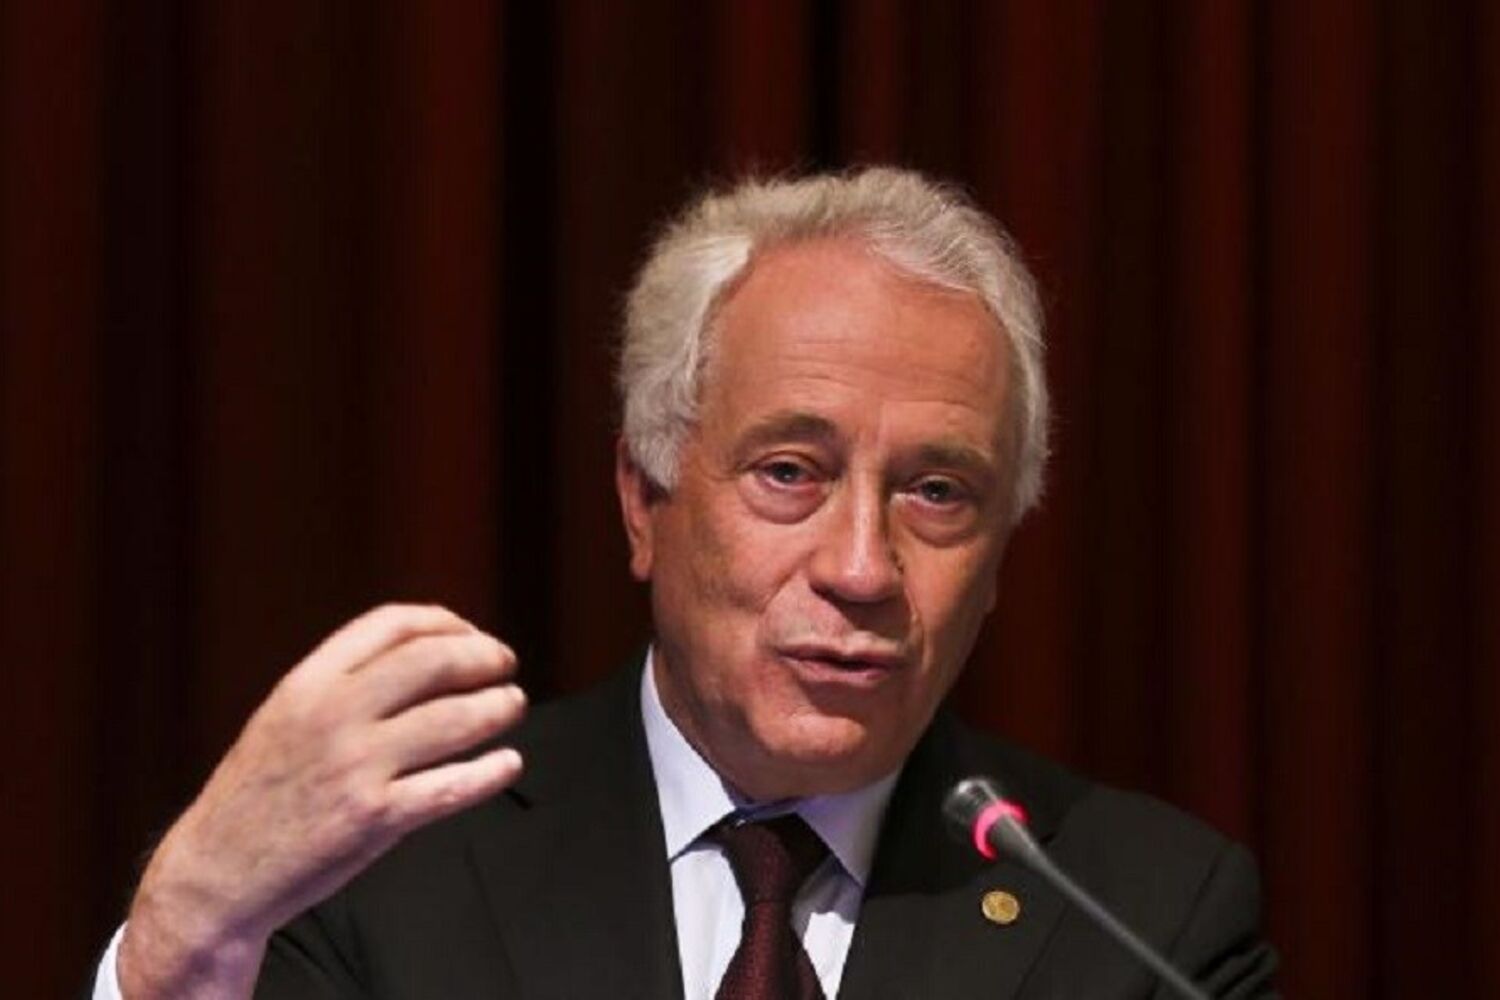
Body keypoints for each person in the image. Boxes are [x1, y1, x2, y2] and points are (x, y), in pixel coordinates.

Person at [93, 168, 1277, 998]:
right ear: (643, 497)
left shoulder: (1146, 918)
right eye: (789, 472)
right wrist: (175, 942)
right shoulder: (393, 867)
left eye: (937, 492)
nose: (861, 568)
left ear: (1001, 552)